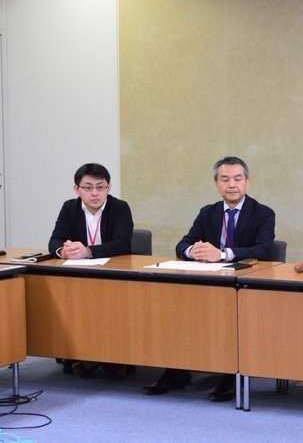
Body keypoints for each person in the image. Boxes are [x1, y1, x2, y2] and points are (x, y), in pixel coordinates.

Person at [143, 156, 276, 402]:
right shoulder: (208, 212)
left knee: (228, 315)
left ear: (247, 182)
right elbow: (182, 244)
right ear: (216, 184)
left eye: (237, 179)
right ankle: (176, 370)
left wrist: (223, 254)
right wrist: (192, 251)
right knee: (177, 310)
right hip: (208, 284)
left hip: (243, 284)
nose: (232, 185)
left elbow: (265, 249)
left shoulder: (263, 213)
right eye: (225, 179)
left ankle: (231, 374)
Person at [48, 162, 134, 379]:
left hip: (113, 276)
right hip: (78, 276)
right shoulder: (69, 208)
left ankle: (109, 355)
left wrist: (88, 251)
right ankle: (78, 351)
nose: (94, 193)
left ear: (109, 188)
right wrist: (63, 251)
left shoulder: (120, 208)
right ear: (76, 189)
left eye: (100, 187)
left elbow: (123, 243)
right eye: (87, 187)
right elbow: (55, 240)